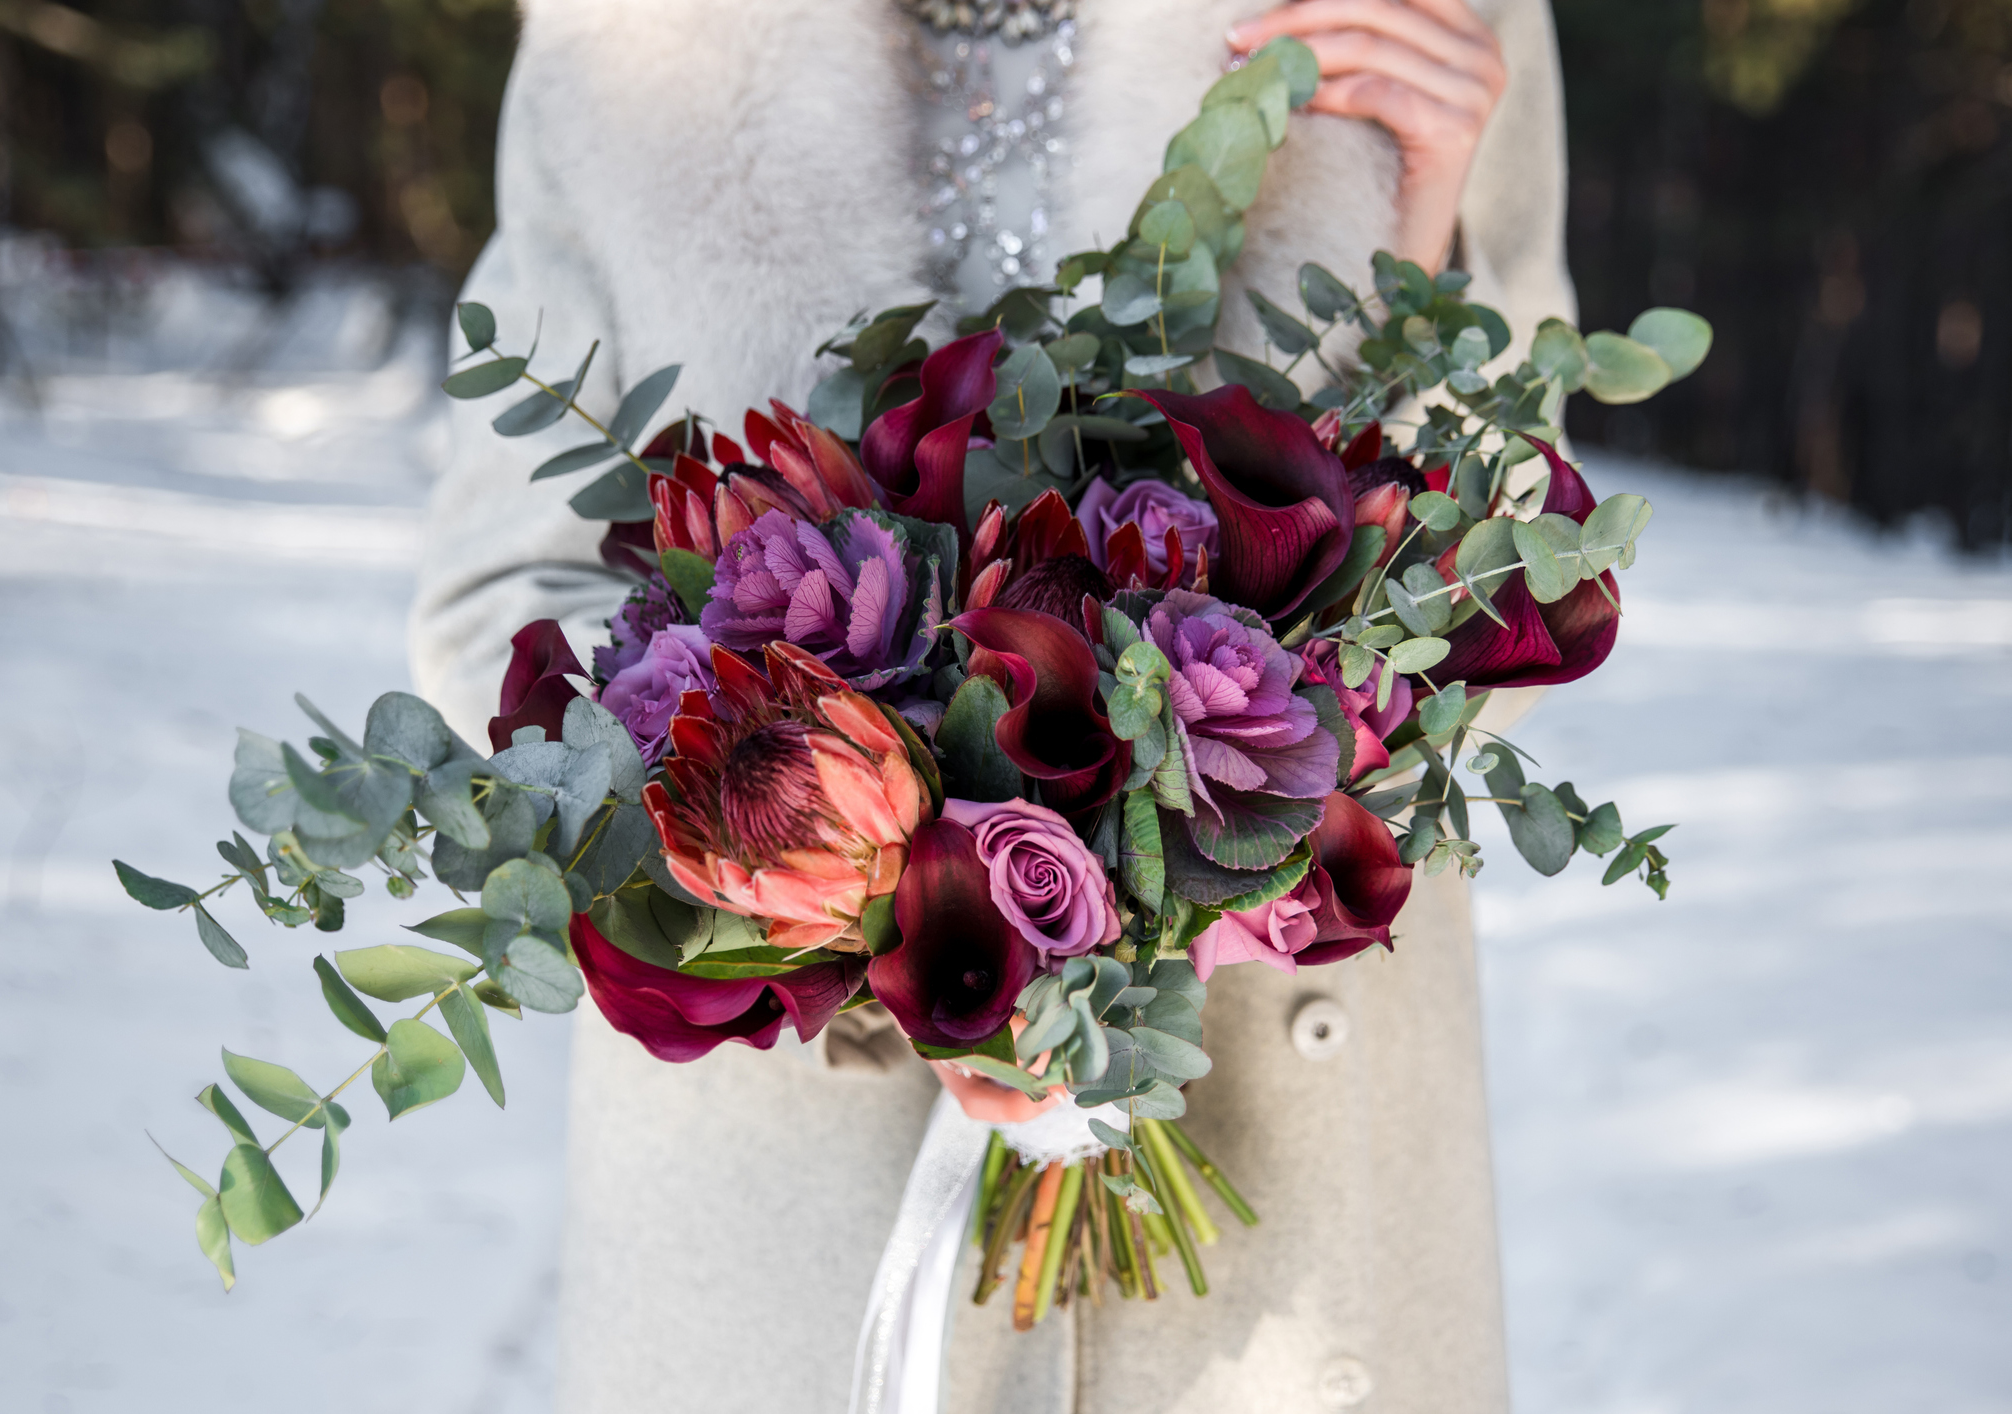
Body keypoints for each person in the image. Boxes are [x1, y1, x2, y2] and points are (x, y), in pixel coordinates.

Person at [410, 1, 1575, 1409]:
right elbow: (505, 598)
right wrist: (859, 896)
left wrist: (1432, 222)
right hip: (784, 1225)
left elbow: (1523, 580)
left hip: (1283, 1172)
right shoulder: (629, 28)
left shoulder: (1430, 21)